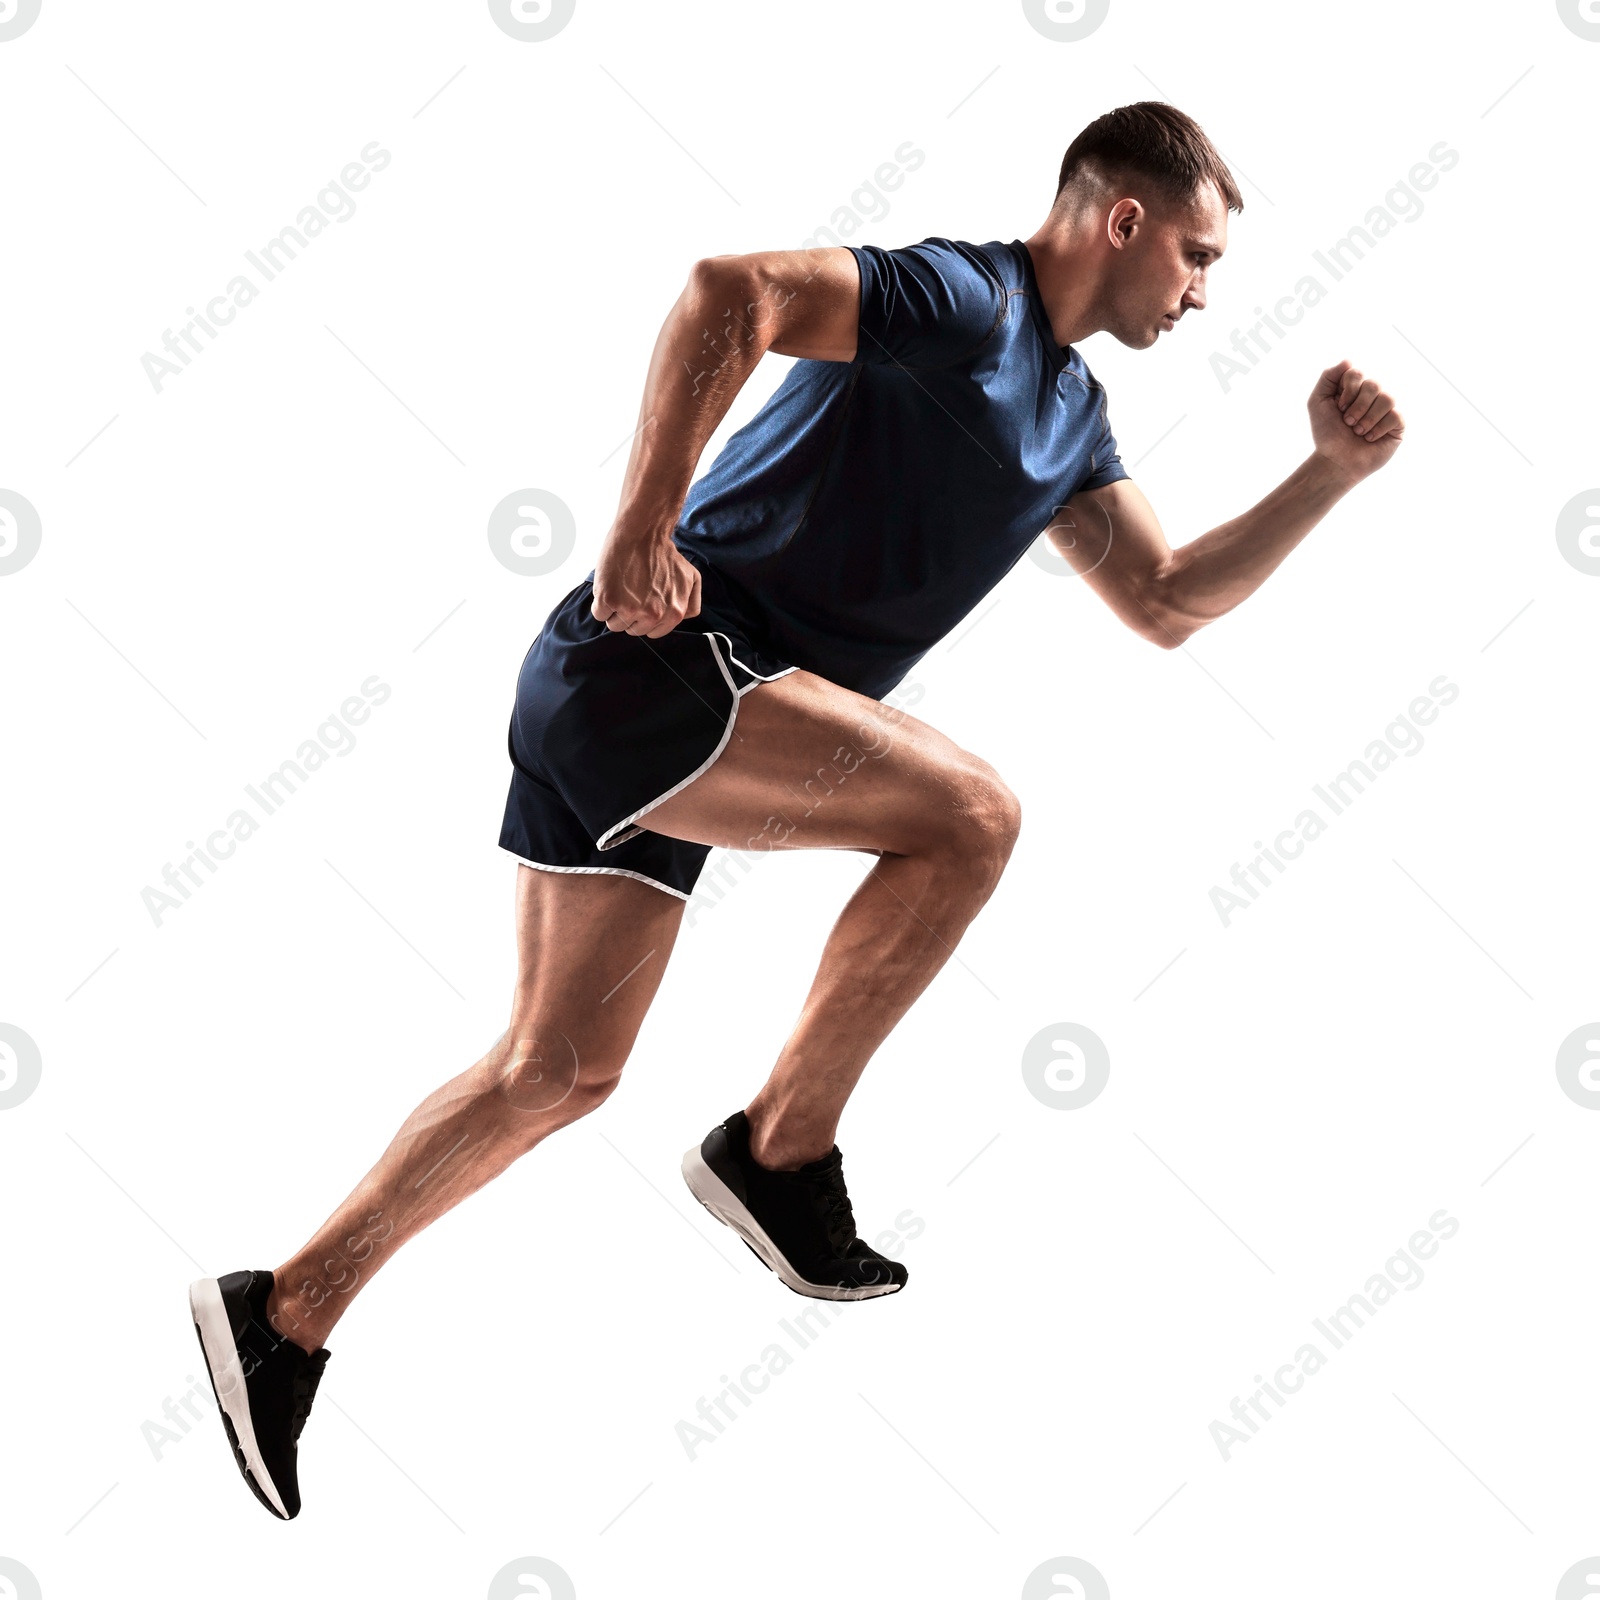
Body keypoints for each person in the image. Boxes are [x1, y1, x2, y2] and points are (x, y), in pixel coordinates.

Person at [189, 100, 1404, 1519]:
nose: (1203, 292)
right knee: (973, 817)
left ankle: (282, 1315)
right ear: (1121, 218)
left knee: (557, 1073)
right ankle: (778, 1154)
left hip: (682, 720)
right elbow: (733, 291)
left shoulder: (1073, 418)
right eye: (1195, 254)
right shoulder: (962, 298)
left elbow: (1169, 599)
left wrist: (1328, 474)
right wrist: (642, 518)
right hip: (662, 666)